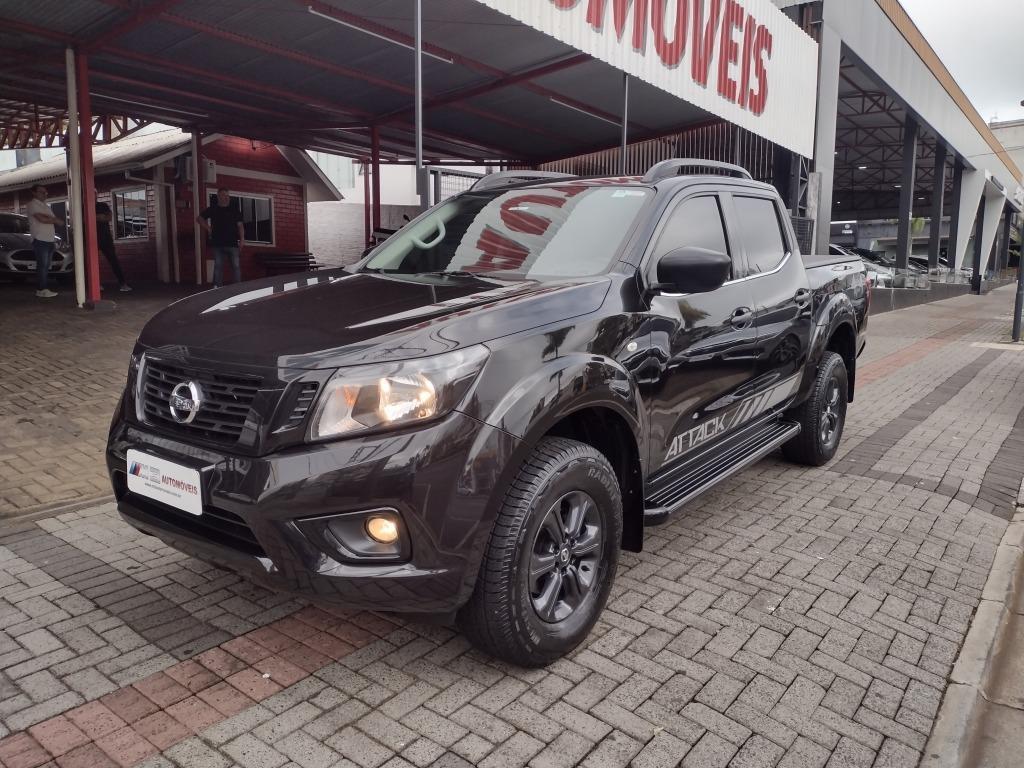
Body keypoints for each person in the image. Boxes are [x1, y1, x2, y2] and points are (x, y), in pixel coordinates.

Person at [197, 188, 244, 288]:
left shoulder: (235, 210)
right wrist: (208, 228)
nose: (226, 197)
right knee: (218, 266)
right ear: (218, 197)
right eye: (224, 195)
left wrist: (242, 240)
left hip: (232, 243)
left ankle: (238, 288)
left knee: (236, 266)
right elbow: (199, 218)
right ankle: (217, 288)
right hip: (217, 244)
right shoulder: (213, 209)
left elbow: (240, 226)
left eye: (227, 195)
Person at [26, 184, 63, 299]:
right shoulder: (32, 204)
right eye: (42, 192)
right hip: (40, 239)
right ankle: (41, 289)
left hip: (50, 239)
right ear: (34, 193)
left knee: (46, 266)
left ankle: (43, 288)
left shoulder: (46, 206)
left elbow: (50, 218)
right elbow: (42, 219)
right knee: (42, 265)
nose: (45, 194)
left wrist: (51, 219)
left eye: (46, 192)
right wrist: (53, 219)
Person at [95, 192, 131, 292]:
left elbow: (109, 217)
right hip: (92, 239)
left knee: (114, 261)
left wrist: (96, 217)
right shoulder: (84, 207)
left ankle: (123, 284)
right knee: (93, 263)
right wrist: (99, 217)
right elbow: (84, 220)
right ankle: (96, 285)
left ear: (96, 195)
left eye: (94, 194)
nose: (93, 195)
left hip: (106, 238)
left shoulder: (103, 205)